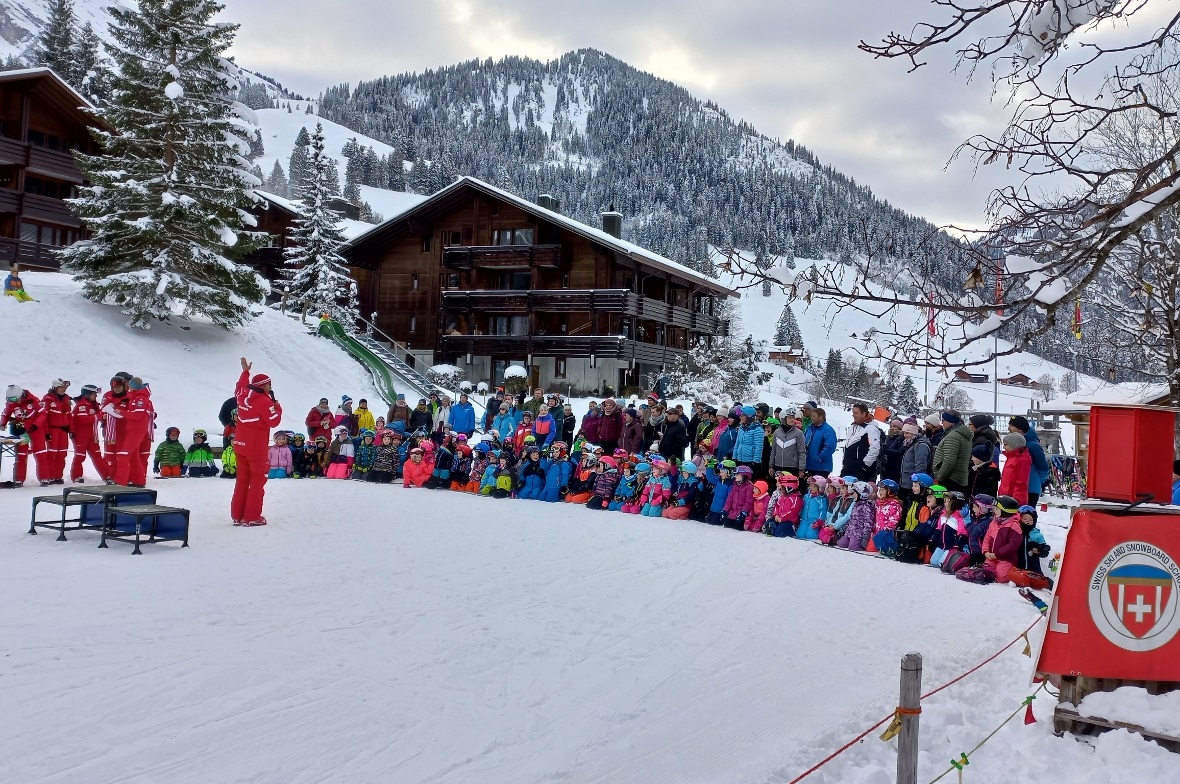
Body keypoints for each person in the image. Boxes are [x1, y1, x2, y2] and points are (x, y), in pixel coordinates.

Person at [231, 358, 282, 526]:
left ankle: (237, 515)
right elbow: (274, 421)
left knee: (242, 480)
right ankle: (252, 516)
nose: (270, 388)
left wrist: (245, 372)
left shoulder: (241, 394)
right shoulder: (263, 401)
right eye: (269, 385)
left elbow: (240, 385)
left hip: (240, 444)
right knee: (257, 481)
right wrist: (277, 407)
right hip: (256, 448)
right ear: (264, 385)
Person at [69, 384, 108, 483]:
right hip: (80, 435)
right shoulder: (81, 405)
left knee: (97, 456)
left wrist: (104, 416)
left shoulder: (94, 405)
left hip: (92, 435)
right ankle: (76, 476)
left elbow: (100, 415)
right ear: (87, 394)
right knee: (80, 455)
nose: (96, 396)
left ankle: (107, 476)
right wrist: (98, 416)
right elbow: (84, 419)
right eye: (94, 394)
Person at [1008, 416, 1050, 506]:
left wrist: (1038, 482)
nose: (1009, 428)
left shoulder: (1032, 445)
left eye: (1011, 426)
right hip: (1016, 487)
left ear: (1020, 430)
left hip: (1030, 488)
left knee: (1026, 513)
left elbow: (1043, 467)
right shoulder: (1014, 444)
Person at [932, 410, 972, 493]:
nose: (941, 422)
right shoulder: (960, 434)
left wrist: (940, 477)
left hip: (950, 479)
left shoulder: (953, 436)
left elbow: (949, 460)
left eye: (943, 420)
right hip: (957, 477)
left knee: (948, 501)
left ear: (950, 422)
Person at [841, 403, 881, 482]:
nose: (853, 415)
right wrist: (844, 461)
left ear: (863, 414)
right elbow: (848, 446)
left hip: (861, 471)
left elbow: (874, 449)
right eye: (853, 413)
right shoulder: (852, 427)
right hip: (848, 468)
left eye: (856, 413)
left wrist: (864, 466)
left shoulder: (871, 428)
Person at [731, 406, 765, 477]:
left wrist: (756, 462)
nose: (740, 417)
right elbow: (737, 444)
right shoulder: (741, 428)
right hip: (740, 460)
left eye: (742, 415)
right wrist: (734, 457)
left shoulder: (757, 429)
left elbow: (758, 447)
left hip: (750, 461)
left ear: (748, 417)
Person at [998, 431, 1031, 503]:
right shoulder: (1010, 457)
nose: (1003, 447)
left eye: (1006, 444)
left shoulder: (1023, 459)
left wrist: (1016, 500)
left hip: (1013, 499)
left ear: (1014, 445)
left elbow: (1021, 482)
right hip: (1005, 497)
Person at [805, 407, 838, 477]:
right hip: (809, 466)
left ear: (820, 417)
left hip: (821, 467)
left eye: (814, 416)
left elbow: (830, 447)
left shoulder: (828, 430)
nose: (811, 418)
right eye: (811, 416)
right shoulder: (809, 428)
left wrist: (820, 458)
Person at [722, 464, 755, 529]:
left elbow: (749, 502)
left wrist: (743, 513)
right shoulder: (735, 485)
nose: (735, 476)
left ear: (744, 476)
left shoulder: (749, 487)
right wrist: (724, 510)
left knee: (737, 527)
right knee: (727, 525)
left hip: (742, 513)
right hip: (732, 513)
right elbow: (730, 499)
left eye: (737, 474)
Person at [796, 475, 828, 539]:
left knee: (810, 536)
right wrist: (799, 515)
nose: (811, 488)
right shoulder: (806, 497)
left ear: (820, 488)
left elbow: (823, 510)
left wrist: (819, 521)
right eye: (810, 485)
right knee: (800, 534)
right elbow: (801, 507)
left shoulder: (821, 499)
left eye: (814, 486)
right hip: (804, 520)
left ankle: (819, 531)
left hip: (814, 521)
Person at [880, 418, 907, 485]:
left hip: (896, 468)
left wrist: (885, 450)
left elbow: (899, 452)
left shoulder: (902, 438)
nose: (892, 428)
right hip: (885, 466)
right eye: (891, 426)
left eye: (894, 426)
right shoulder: (887, 437)